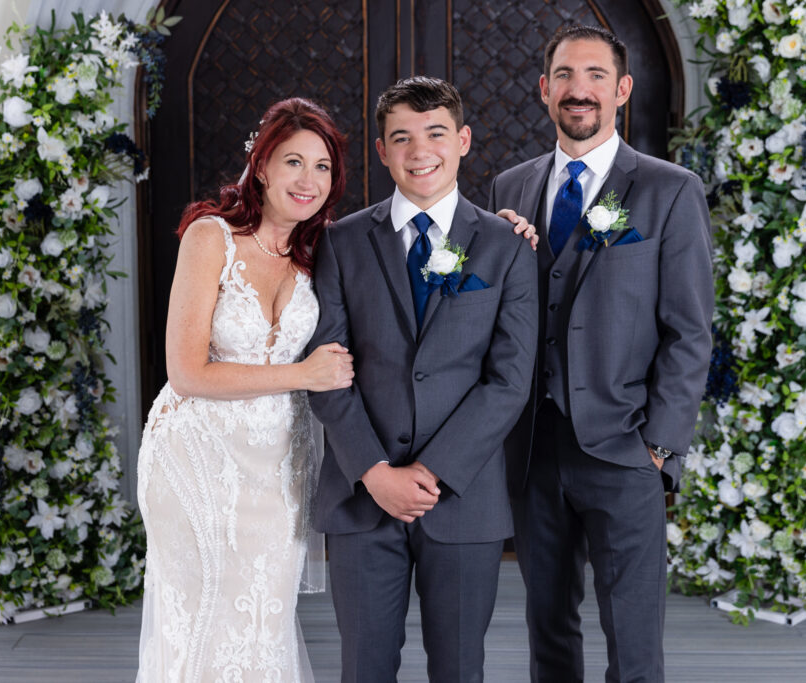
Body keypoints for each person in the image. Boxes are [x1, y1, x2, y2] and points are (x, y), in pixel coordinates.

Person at [488, 25, 714, 683]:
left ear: (621, 90)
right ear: (544, 90)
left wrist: (660, 447)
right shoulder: (510, 187)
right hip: (533, 449)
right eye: (563, 75)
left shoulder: (669, 190)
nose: (577, 89)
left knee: (634, 639)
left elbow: (689, 330)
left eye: (593, 75)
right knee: (548, 631)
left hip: (625, 447)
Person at [306, 76, 539, 682]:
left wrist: (431, 474)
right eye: (401, 137)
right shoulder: (340, 242)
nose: (419, 151)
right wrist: (376, 472)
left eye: (435, 133)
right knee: (364, 668)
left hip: (462, 499)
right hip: (364, 496)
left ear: (462, 141)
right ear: (381, 150)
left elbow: (509, 379)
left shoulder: (505, 246)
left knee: (460, 669)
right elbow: (326, 369)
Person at [135, 98, 354, 683]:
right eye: (293, 162)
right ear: (261, 166)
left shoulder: (327, 251)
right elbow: (186, 373)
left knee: (262, 616)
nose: (308, 180)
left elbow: (405, 243)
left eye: (323, 167)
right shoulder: (211, 238)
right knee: (200, 619)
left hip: (281, 464)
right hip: (195, 458)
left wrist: (509, 228)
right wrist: (302, 375)